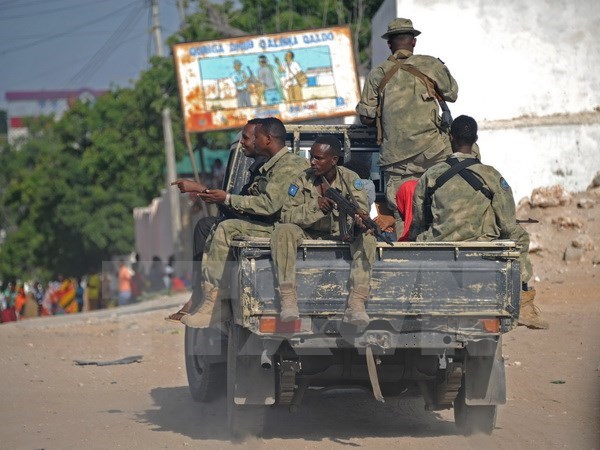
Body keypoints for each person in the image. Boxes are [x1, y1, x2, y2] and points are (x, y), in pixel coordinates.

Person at [409, 115, 548, 329]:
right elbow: (507, 222)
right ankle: (525, 303)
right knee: (519, 236)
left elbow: (419, 220)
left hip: (438, 247)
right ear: (475, 139)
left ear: (450, 137)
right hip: (481, 247)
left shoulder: (430, 176)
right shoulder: (491, 175)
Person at [175, 117, 309, 329]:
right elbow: (246, 202)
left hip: (287, 229)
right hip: (275, 225)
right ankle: (211, 298)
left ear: (267, 139)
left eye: (253, 137)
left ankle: (215, 302)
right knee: (215, 226)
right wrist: (211, 193)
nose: (250, 142)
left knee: (226, 228)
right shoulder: (270, 167)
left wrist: (226, 198)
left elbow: (268, 205)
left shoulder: (289, 166)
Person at [356, 18, 458, 232]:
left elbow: (365, 117)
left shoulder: (378, 74)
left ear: (389, 44)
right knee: (440, 203)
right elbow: (452, 94)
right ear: (413, 41)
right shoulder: (431, 65)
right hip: (434, 154)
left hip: (396, 160)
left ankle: (406, 252)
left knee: (402, 213)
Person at [166, 118, 269, 323]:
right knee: (207, 226)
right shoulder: (258, 167)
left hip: (265, 228)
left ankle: (207, 297)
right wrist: (206, 192)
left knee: (212, 227)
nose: (243, 143)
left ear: (261, 140)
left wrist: (204, 190)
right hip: (258, 223)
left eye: (247, 138)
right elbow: (242, 204)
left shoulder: (266, 168)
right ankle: (200, 294)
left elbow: (258, 208)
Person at [271, 136, 377, 325]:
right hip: (308, 233)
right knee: (283, 230)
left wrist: (361, 221)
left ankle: (357, 302)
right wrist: (315, 207)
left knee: (368, 238)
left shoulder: (351, 180)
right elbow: (286, 215)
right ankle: (288, 298)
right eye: (312, 157)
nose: (312, 161)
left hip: (341, 233)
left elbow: (361, 209)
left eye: (318, 158)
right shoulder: (302, 179)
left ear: (334, 160)